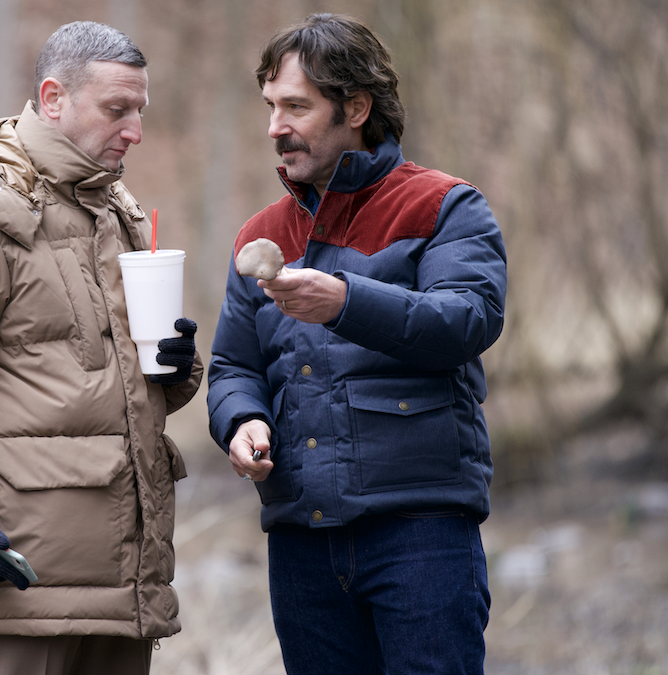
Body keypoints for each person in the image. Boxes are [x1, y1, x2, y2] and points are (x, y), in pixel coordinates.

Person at [0, 21, 202, 675]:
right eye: (117, 109)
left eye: (140, 110)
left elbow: (121, 388)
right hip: (16, 581)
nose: (134, 130)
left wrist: (175, 364)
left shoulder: (121, 213)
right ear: (53, 99)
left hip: (123, 589)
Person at [207, 13, 506, 675]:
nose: (275, 126)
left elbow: (467, 320)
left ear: (356, 108)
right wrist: (241, 418)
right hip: (300, 540)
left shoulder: (446, 206)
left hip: (421, 532)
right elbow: (233, 365)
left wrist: (345, 302)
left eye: (296, 106)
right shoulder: (259, 232)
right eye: (270, 107)